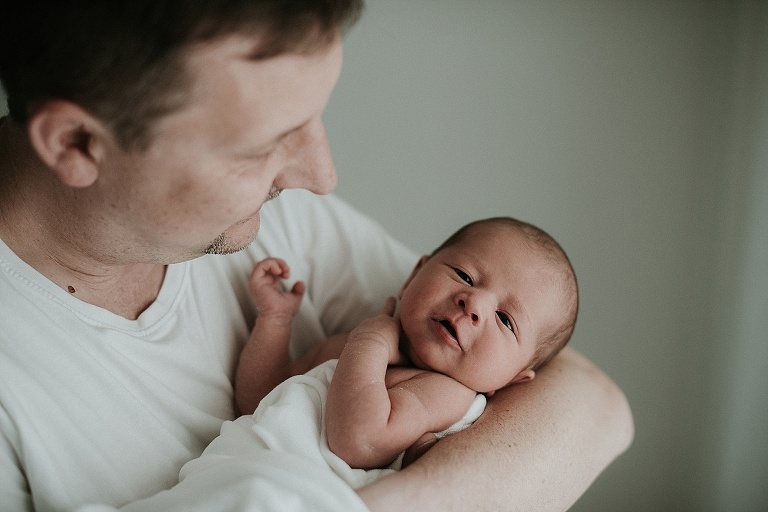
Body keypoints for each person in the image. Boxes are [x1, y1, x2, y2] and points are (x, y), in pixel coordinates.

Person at [0, 1, 633, 511]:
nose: (322, 175)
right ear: (77, 142)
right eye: (265, 145)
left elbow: (595, 406)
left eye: (313, 119)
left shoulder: (272, 220)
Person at [228, 216, 577, 485]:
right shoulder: (348, 348)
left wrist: (370, 344)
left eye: (505, 319)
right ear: (414, 275)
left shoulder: (447, 394)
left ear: (514, 378)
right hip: (233, 470)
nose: (474, 303)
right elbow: (257, 399)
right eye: (465, 276)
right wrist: (274, 321)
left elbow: (359, 441)